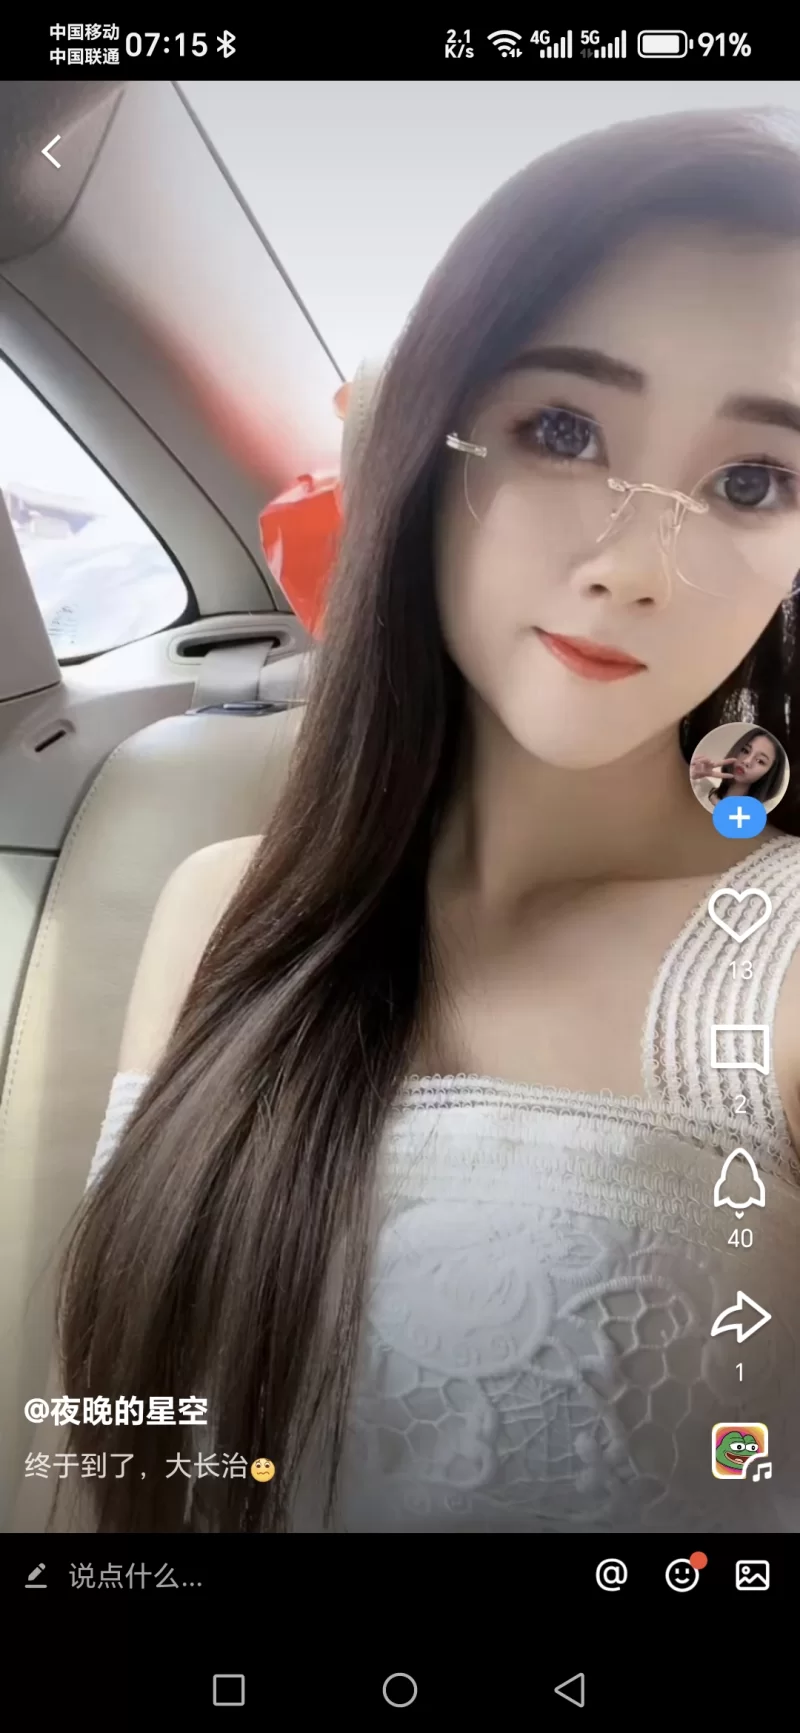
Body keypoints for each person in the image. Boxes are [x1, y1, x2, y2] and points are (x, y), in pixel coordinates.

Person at [57, 107, 800, 1535]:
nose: (637, 566)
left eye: (750, 480)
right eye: (563, 430)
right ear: (418, 444)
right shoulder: (217, 910)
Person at [690, 727, 788, 808]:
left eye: (760, 761)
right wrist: (691, 775)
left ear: (770, 773)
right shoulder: (701, 789)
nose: (747, 761)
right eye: (745, 750)